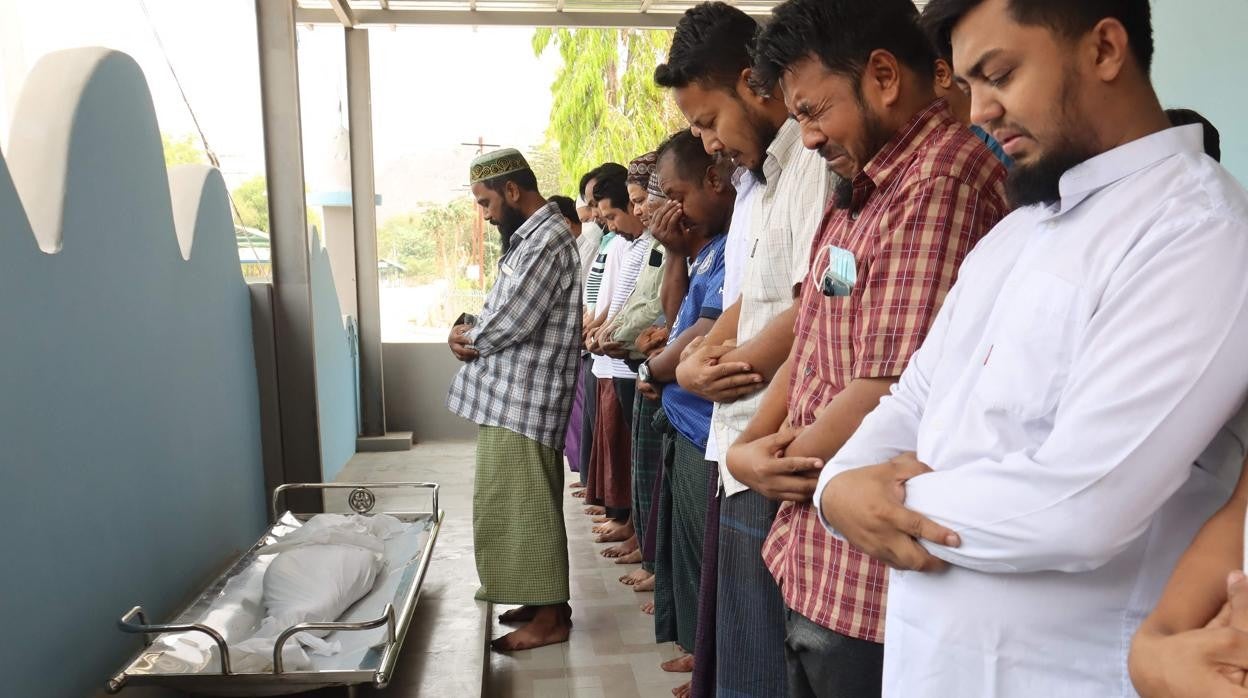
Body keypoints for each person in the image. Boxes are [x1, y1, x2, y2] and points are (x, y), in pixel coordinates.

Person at [813, 0, 1248, 694]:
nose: (980, 109)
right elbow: (917, 394)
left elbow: (1081, 504)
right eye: (970, 84)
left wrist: (877, 500)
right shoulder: (1017, 232)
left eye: (999, 75)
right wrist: (837, 489)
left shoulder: (1201, 234)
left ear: (1105, 49)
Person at [730, 1, 1011, 694]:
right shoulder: (864, 184)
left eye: (813, 111)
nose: (810, 135)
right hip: (816, 552)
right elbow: (816, 334)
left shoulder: (939, 180)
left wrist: (776, 463)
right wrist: (746, 449)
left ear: (883, 75)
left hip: (867, 577)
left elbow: (889, 386)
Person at [655, 4, 833, 694]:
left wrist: (748, 358)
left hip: (773, 436)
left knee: (768, 659)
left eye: (707, 121)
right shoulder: (756, 184)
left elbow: (814, 298)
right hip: (734, 441)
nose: (707, 142)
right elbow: (751, 297)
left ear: (752, 82)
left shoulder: (813, 165)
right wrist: (705, 350)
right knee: (741, 648)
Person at [446, 148, 582, 652]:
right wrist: (468, 327)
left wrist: (465, 338)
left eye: (486, 202)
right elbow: (501, 308)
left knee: (530, 508)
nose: (484, 213)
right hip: (512, 400)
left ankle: (551, 618)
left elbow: (515, 319)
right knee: (510, 504)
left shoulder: (546, 240)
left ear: (511, 190)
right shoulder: (530, 239)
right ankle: (541, 599)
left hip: (527, 400)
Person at [642, 129, 736, 698]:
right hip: (682, 414)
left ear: (712, 178)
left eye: (677, 192)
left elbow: (705, 331)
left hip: (708, 424)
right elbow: (677, 314)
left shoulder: (732, 247)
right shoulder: (704, 251)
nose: (672, 207)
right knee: (687, 552)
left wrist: (655, 370)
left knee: (709, 561)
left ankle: (715, 668)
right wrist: (676, 252)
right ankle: (702, 656)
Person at [920, 4, 1013, 165]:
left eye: (997, 76)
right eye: (966, 89)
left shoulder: (1004, 138)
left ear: (942, 74)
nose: (977, 114)